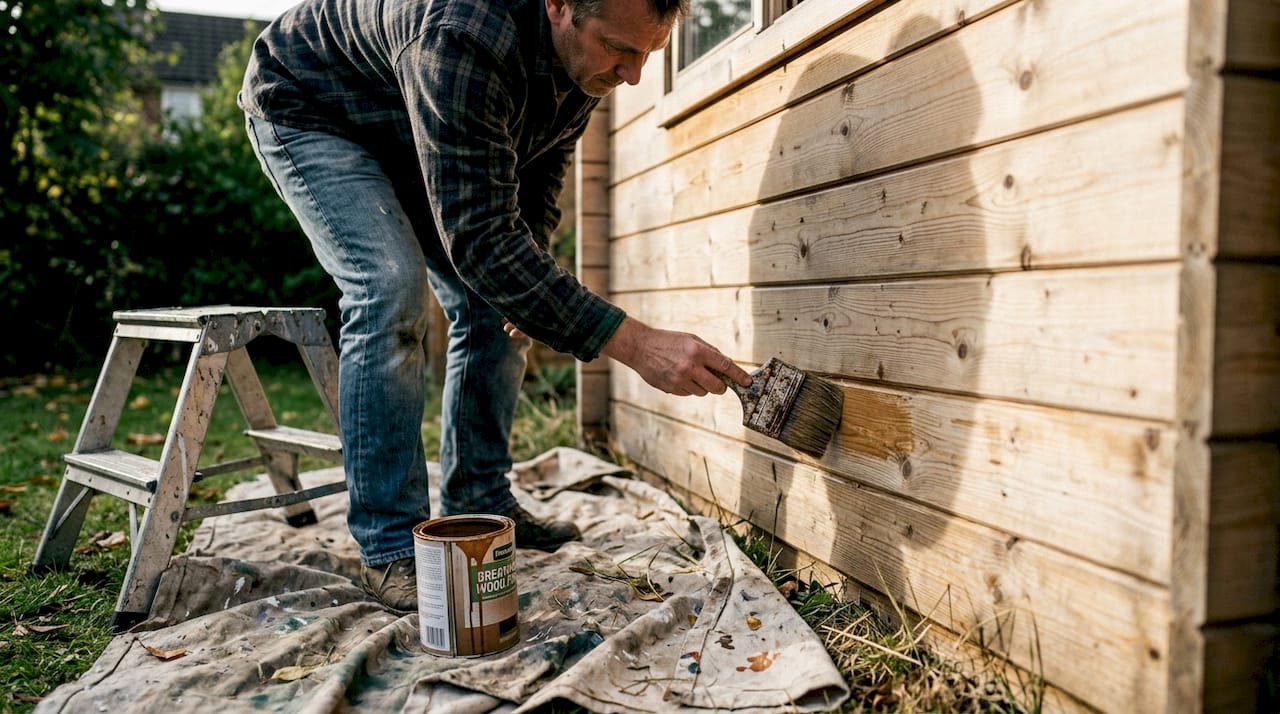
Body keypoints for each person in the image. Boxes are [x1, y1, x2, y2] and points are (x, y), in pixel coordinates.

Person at [239, 0, 752, 613]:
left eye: (650, 54)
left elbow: (533, 185)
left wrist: (525, 291)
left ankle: (479, 500)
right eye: (621, 50)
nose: (635, 75)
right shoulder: (464, 34)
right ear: (560, 6)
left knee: (499, 304)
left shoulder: (588, 63)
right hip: (313, 105)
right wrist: (636, 344)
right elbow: (480, 241)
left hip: (416, 121)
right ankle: (389, 546)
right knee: (390, 286)